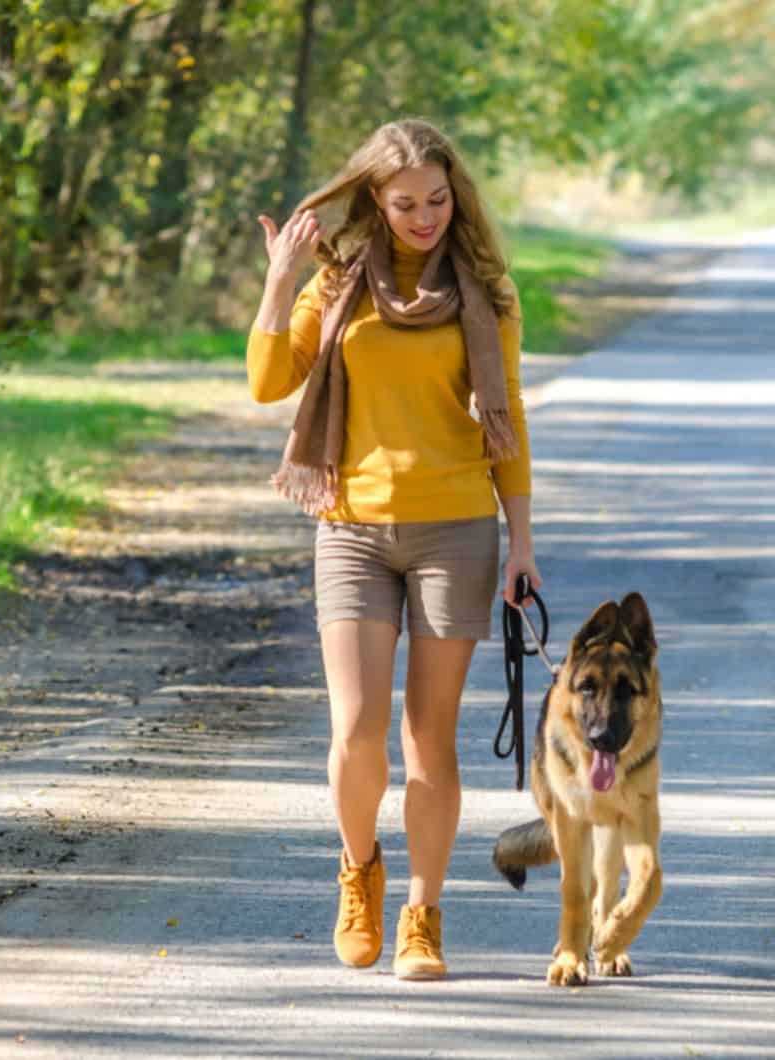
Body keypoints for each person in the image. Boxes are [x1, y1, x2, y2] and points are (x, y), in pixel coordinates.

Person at [247, 118, 540, 981]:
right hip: (350, 527)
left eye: (439, 201)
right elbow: (268, 384)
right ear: (374, 198)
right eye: (406, 202)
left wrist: (521, 539)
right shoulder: (337, 282)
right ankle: (358, 870)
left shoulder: (488, 288)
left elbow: (509, 419)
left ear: (458, 196)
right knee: (357, 732)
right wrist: (279, 282)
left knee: (429, 741)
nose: (424, 218)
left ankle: (422, 912)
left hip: (457, 528)